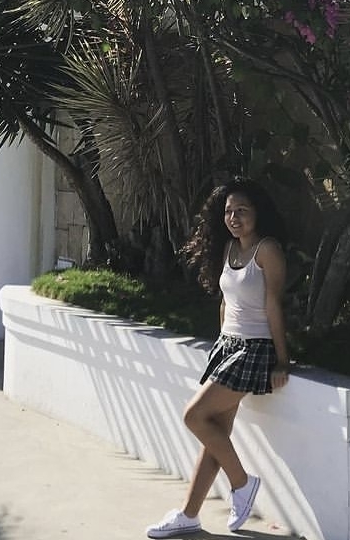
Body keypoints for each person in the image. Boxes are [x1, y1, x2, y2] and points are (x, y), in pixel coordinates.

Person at [146, 177, 290, 538]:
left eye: (242, 210)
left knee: (194, 416)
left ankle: (242, 483)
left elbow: (274, 305)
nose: (234, 217)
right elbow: (227, 302)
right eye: (228, 211)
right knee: (216, 434)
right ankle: (189, 515)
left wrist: (282, 360)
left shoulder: (267, 250)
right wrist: (221, 342)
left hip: (254, 348)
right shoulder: (229, 249)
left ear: (258, 212)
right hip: (228, 345)